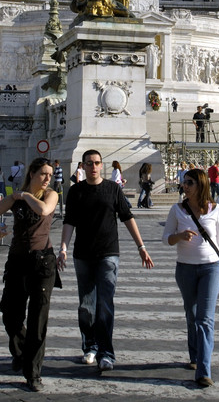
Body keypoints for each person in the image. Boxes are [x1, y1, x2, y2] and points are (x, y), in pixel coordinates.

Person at [57, 149, 153, 372]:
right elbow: (69, 222)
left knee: (105, 304)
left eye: (97, 163)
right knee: (86, 306)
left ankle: (106, 352)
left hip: (108, 254)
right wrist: (63, 247)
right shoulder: (76, 191)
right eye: (89, 163)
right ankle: (89, 346)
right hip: (82, 254)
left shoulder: (112, 189)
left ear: (103, 166)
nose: (93, 167)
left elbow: (128, 217)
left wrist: (141, 247)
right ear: (83, 166)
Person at [0, 158, 60, 392]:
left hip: (43, 263)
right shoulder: (13, 199)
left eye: (50, 174)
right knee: (9, 313)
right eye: (43, 174)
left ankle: (32, 374)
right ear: (32, 173)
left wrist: (25, 196)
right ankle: (22, 352)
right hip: (16, 262)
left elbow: (44, 210)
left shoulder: (50, 195)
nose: (47, 179)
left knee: (38, 320)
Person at [162, 167, 219, 387]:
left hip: (212, 268)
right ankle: (194, 355)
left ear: (201, 185)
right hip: (185, 268)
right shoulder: (177, 210)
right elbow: (166, 239)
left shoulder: (217, 210)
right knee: (192, 315)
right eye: (184, 182)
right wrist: (179, 236)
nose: (185, 186)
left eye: (189, 182)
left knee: (205, 318)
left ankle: (204, 370)